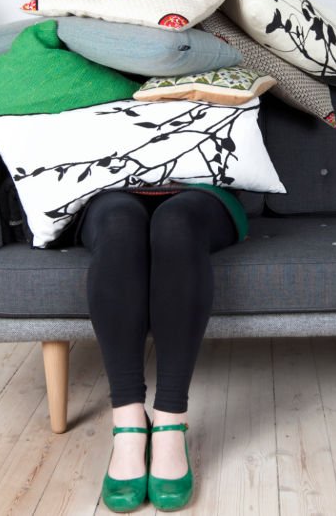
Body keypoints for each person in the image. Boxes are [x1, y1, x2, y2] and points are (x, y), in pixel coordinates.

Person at [67, 182, 248, 512]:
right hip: (105, 186)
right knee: (119, 224)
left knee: (176, 222)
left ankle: (170, 422)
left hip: (203, 189)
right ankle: (128, 422)